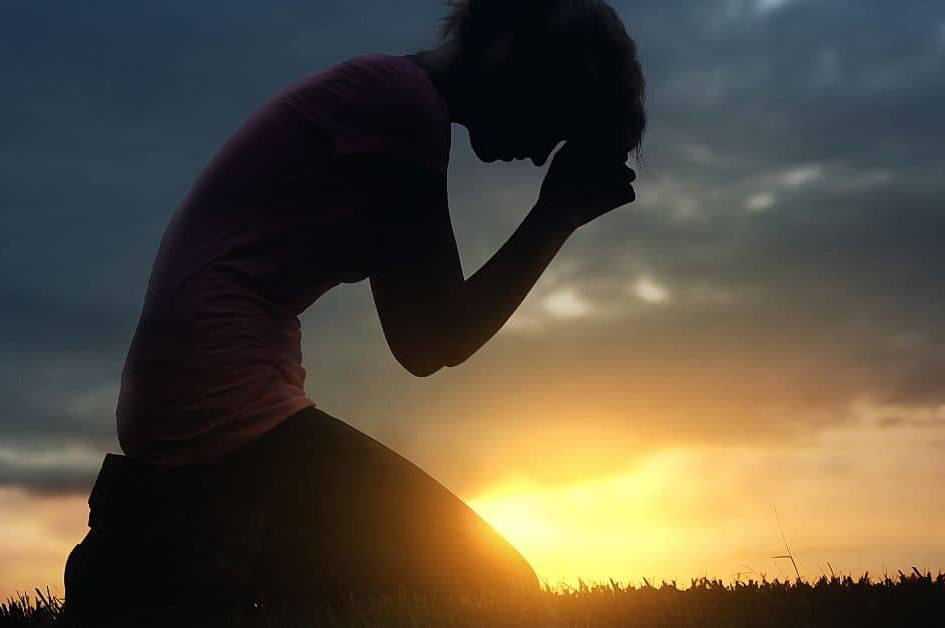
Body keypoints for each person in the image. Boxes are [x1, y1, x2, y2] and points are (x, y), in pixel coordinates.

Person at [61, 0, 646, 623]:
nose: (537, 154)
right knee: (497, 592)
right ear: (509, 52)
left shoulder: (385, 98)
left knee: (397, 584)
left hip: (196, 398)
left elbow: (424, 336)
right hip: (222, 404)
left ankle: (164, 544)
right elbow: (431, 340)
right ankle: (167, 547)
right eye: (550, 120)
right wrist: (555, 213)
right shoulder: (400, 105)